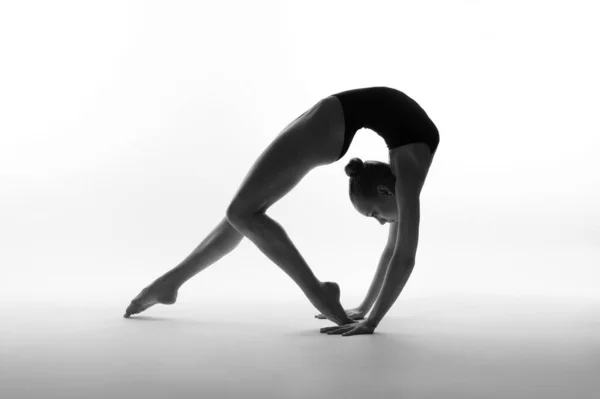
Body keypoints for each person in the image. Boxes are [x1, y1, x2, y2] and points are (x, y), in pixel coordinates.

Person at [123, 86, 440, 337]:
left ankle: (169, 284)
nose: (382, 221)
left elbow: (392, 253)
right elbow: (403, 258)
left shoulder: (404, 175)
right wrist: (370, 322)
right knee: (242, 213)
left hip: (333, 117)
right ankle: (320, 293)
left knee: (242, 214)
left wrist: (366, 311)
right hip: (331, 120)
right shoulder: (407, 178)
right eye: (374, 215)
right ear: (386, 190)